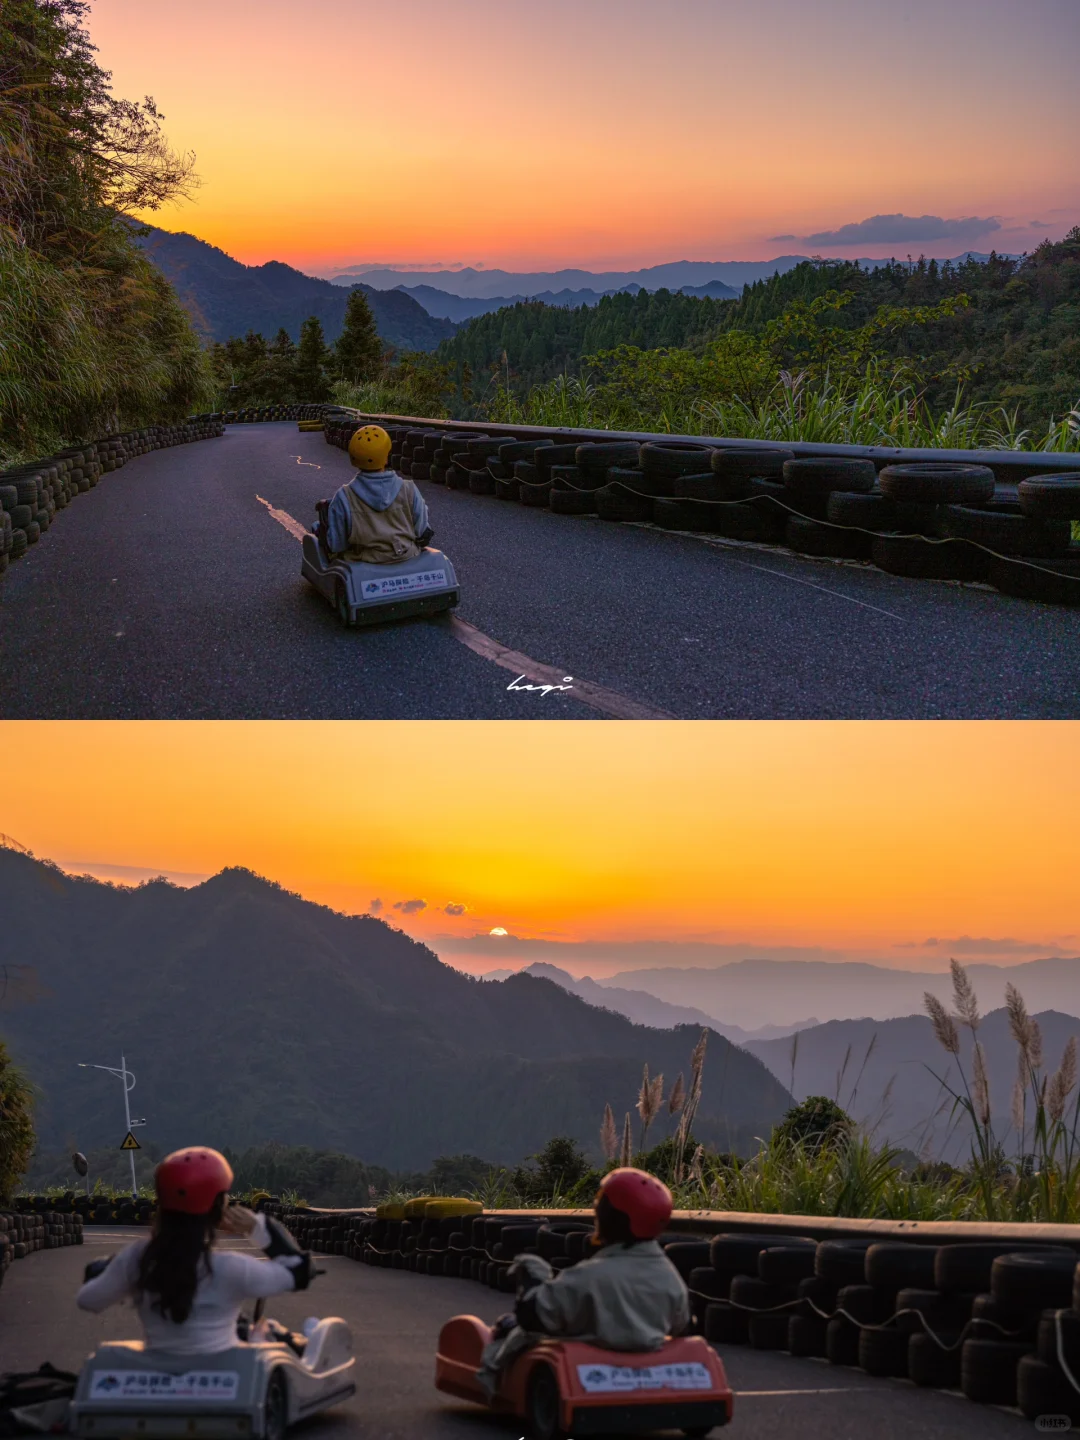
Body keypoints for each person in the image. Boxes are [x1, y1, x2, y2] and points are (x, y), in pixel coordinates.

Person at [76, 1147, 315, 1355]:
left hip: (156, 1376)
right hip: (227, 1378)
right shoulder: (231, 1267)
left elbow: (88, 1300)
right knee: (269, 1330)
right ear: (217, 1208)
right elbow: (299, 1271)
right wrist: (258, 1227)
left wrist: (114, 1269)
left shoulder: (136, 1260)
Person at [476, 1167, 689, 1398]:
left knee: (511, 1328)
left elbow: (533, 1316)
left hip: (587, 1358)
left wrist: (535, 1277)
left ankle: (491, 1373)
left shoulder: (588, 1276)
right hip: (649, 1357)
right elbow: (681, 1324)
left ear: (608, 1218)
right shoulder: (671, 1278)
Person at [319, 425, 433, 564]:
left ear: (354, 457)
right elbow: (422, 532)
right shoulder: (409, 489)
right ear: (386, 456)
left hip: (363, 562)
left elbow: (337, 545)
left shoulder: (344, 497)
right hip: (406, 556)